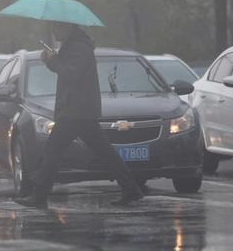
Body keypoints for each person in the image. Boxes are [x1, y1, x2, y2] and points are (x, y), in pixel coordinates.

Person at [15, 21, 144, 209]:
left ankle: (39, 195)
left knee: (52, 152)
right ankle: (131, 189)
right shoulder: (74, 46)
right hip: (79, 111)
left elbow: (70, 73)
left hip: (75, 111)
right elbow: (67, 70)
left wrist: (52, 60)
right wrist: (52, 60)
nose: (54, 31)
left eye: (57, 27)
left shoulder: (79, 47)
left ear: (67, 28)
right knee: (104, 152)